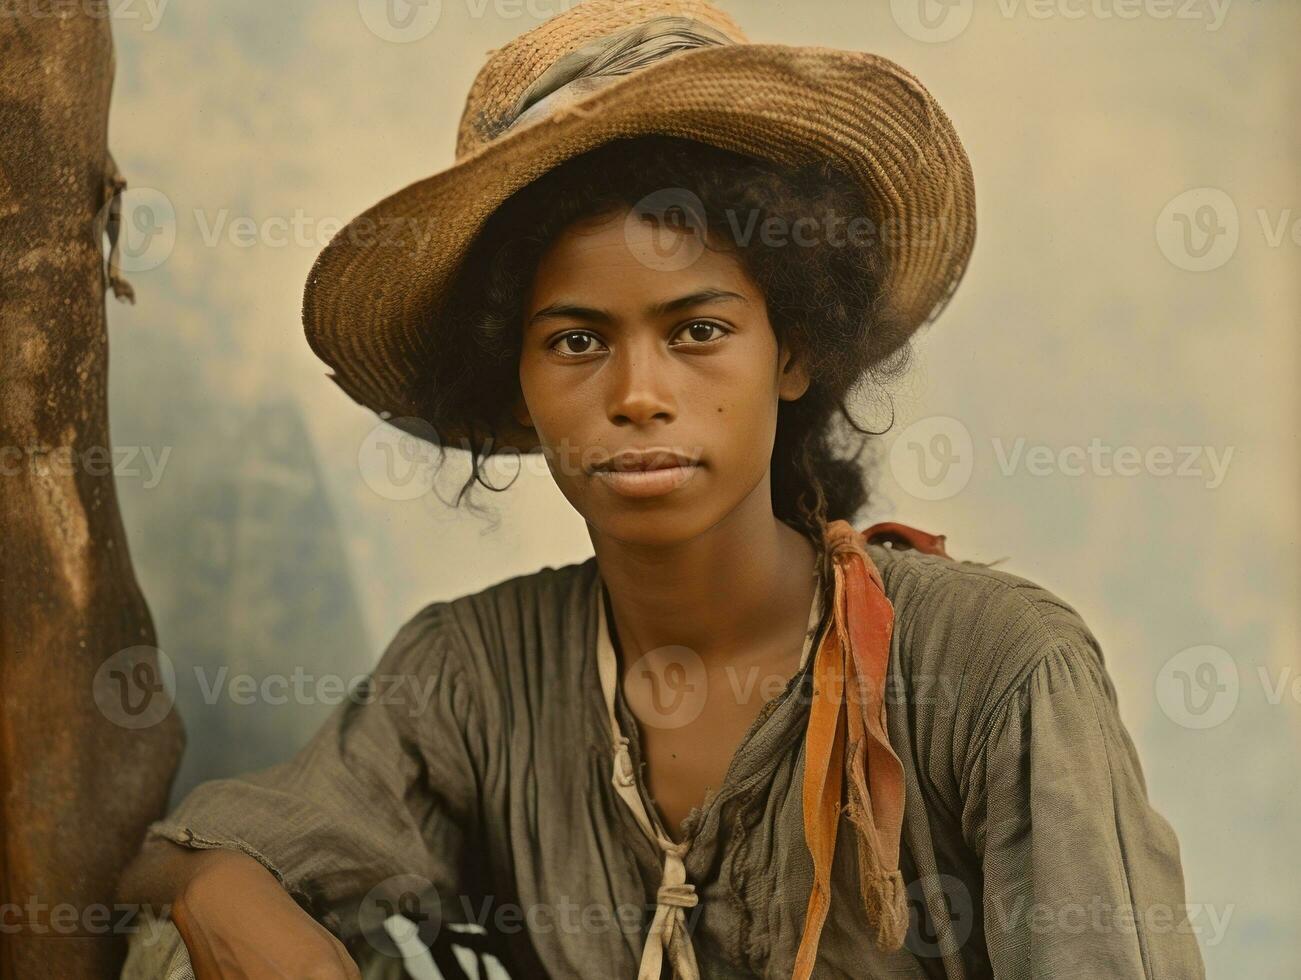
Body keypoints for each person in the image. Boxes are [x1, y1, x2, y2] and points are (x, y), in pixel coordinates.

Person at [117, 2, 1206, 978]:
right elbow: (196, 857)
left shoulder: (995, 671)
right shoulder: (478, 676)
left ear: (793, 354)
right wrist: (215, 890)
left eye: (697, 330)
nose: (637, 394)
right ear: (519, 382)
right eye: (576, 339)